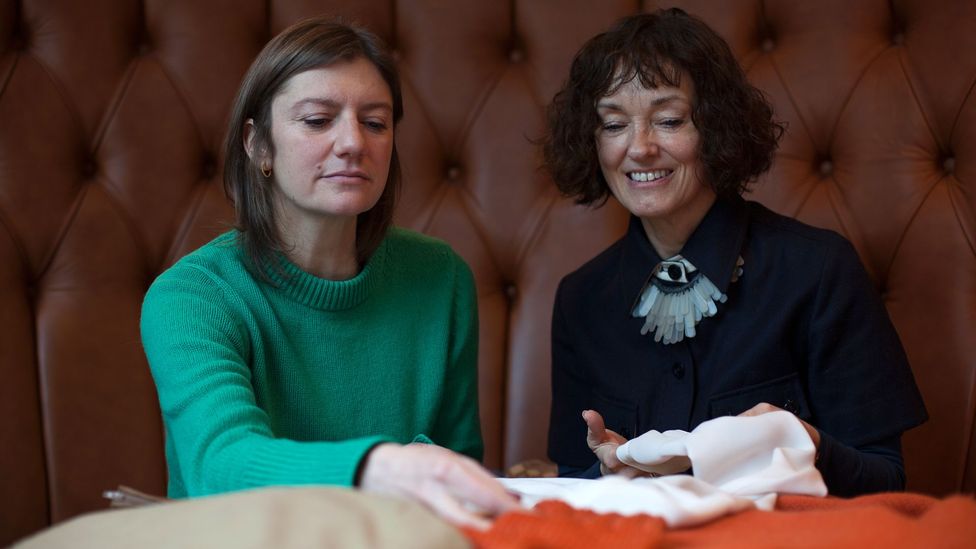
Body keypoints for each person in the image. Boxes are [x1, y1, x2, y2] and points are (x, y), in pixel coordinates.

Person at [140, 17, 517, 528]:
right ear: (258, 145)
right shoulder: (191, 296)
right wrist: (375, 466)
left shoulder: (441, 278)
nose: (352, 143)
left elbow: (457, 470)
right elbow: (220, 465)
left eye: (376, 122)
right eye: (318, 120)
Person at [543, 9, 927, 496]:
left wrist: (803, 442)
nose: (638, 148)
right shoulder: (580, 299)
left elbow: (886, 479)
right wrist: (608, 475)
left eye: (668, 120)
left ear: (717, 125)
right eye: (614, 124)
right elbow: (572, 487)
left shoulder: (819, 271)